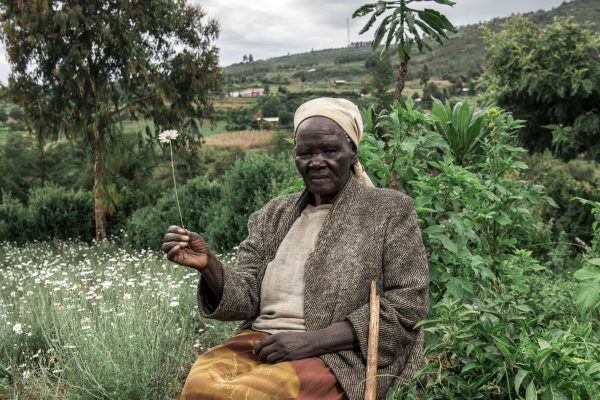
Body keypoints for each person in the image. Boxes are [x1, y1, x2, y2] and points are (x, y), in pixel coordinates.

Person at [162, 97, 429, 400]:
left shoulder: (387, 210)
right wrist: (209, 264)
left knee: (260, 394)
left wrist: (312, 342)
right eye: (305, 153)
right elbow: (246, 299)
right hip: (262, 343)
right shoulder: (272, 215)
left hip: (339, 354)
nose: (316, 161)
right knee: (201, 385)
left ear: (352, 151)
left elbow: (408, 305)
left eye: (329, 151)